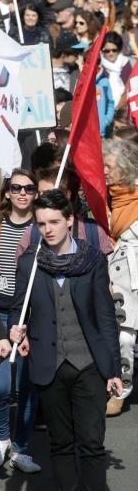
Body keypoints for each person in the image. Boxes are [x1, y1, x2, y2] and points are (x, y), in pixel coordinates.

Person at [9, 190, 121, 491]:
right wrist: (15, 331)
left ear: (69, 220)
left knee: (92, 445)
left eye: (54, 222)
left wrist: (113, 370)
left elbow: (105, 317)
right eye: (42, 223)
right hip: (49, 364)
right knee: (60, 444)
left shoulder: (93, 259)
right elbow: (18, 310)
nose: (48, 229)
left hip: (90, 365)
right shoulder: (30, 263)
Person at [0, 170, 42, 473]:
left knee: (28, 386)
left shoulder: (40, 227)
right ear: (7, 192)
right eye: (16, 188)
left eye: (29, 188)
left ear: (35, 193)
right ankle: (2, 438)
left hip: (31, 316)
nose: (22, 193)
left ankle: (21, 448)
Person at [104, 138, 138, 416]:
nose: (104, 170)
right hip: (121, 280)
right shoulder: (104, 197)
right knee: (124, 339)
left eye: (109, 166)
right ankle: (120, 392)